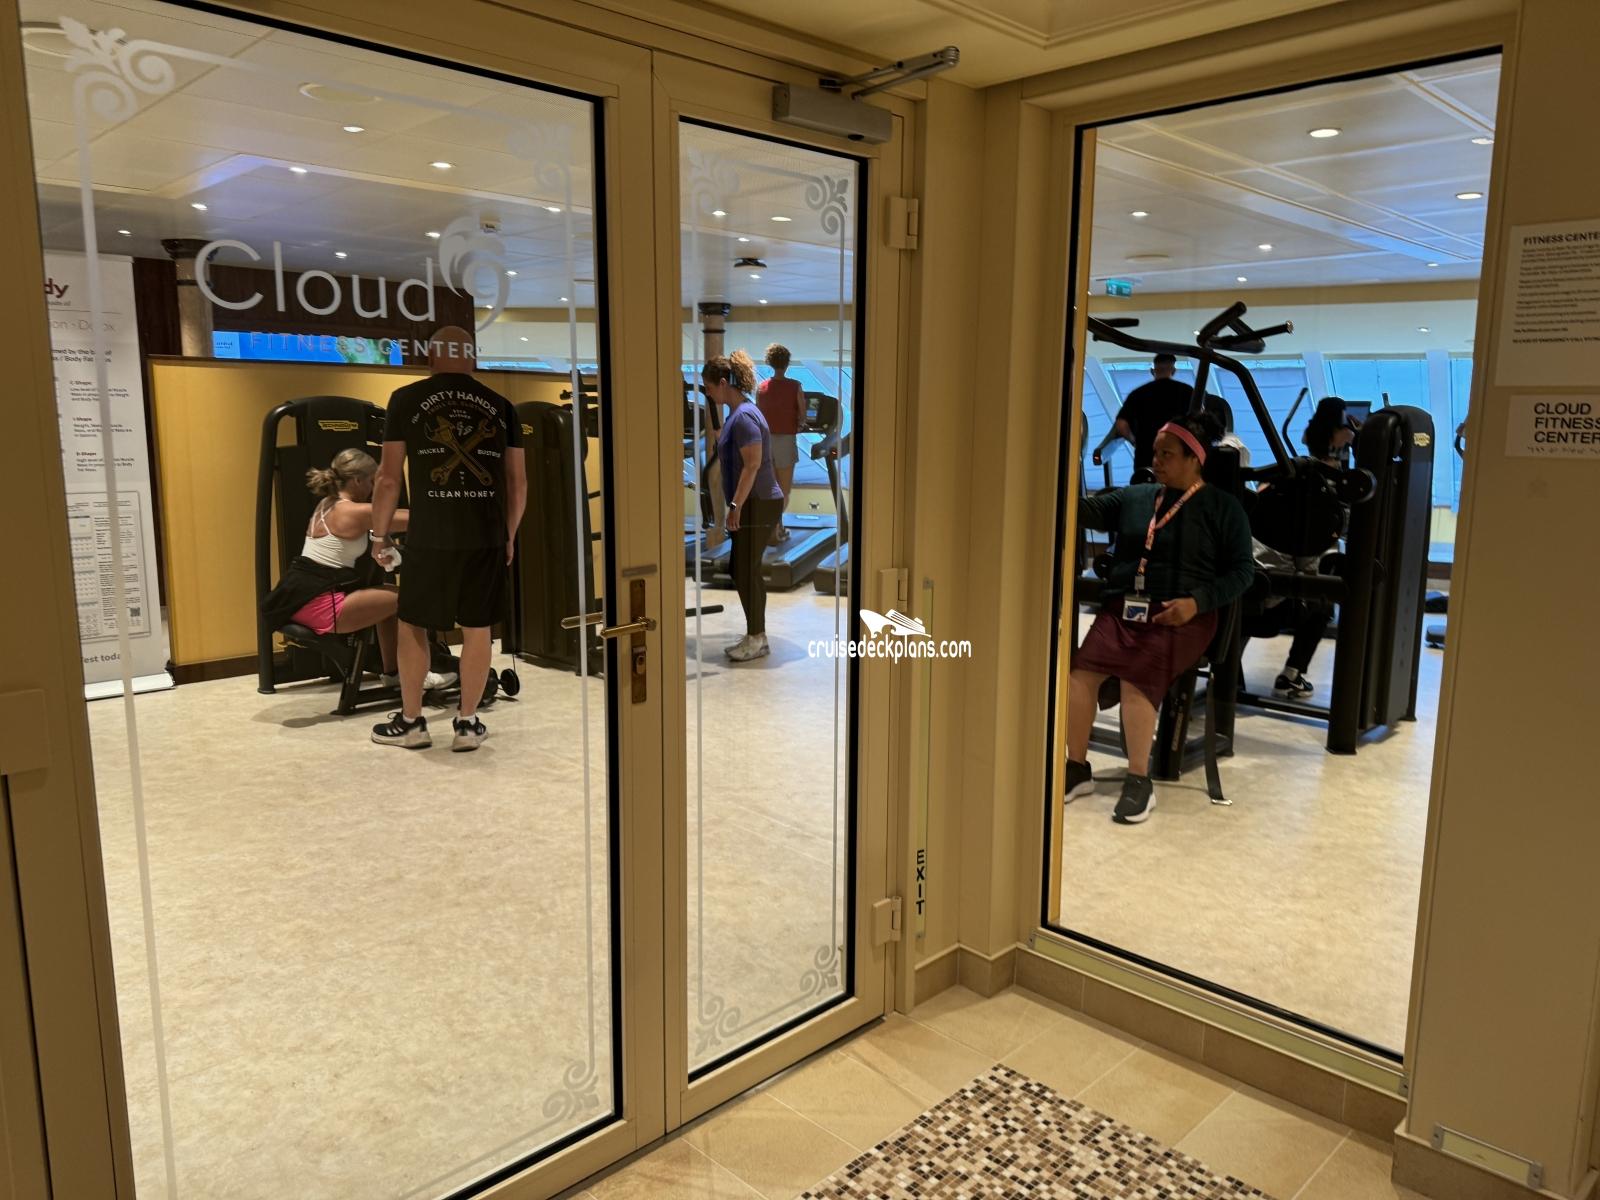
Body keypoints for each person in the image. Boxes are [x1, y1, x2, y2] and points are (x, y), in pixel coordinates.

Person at [1065, 412, 1255, 825]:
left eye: (1167, 454)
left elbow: (1243, 572)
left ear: (1194, 459)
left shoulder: (1223, 508)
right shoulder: (1138, 497)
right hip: (1124, 610)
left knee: (1136, 676)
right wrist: (1060, 465)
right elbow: (1085, 511)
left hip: (1181, 616)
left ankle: (1139, 780)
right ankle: (1076, 768)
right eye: (1155, 452)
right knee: (1079, 674)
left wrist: (1197, 602)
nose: (1157, 460)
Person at [369, 326, 527, 751]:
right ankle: (468, 724)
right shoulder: (502, 406)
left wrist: (379, 536)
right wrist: (509, 535)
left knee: (412, 624)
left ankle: (412, 723)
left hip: (430, 536)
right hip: (486, 536)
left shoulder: (405, 399)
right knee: (478, 628)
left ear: (430, 358)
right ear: (472, 358)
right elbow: (518, 482)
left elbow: (387, 478)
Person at [259, 449, 458, 688]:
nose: (373, 488)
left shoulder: (327, 505)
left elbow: (375, 528)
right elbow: (415, 518)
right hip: (322, 606)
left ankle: (393, 673)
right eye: (372, 481)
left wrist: (384, 540)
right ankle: (417, 676)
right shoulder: (354, 512)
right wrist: (451, 505)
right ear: (357, 480)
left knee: (387, 598)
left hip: (300, 602)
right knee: (411, 600)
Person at [705, 349, 784, 662]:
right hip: (754, 502)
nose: (709, 394)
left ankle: (757, 638)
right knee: (744, 569)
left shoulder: (745, 416)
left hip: (758, 502)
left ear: (724, 383)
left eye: (710, 388)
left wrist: (735, 505)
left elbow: (752, 464)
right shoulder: (738, 414)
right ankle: (756, 635)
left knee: (744, 569)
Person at [1092, 353, 1222, 477]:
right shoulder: (1187, 391)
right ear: (1173, 370)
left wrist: (1135, 442)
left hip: (1145, 459)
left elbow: (1121, 425)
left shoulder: (1137, 394)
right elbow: (1199, 421)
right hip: (1178, 458)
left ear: (1153, 370)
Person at [1240, 540, 1335, 700]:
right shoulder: (1302, 526)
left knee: (1250, 595)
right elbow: (1310, 573)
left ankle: (1225, 670)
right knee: (1322, 602)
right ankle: (1290, 676)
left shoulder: (1246, 521)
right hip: (1276, 611)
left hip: (1237, 603)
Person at [756, 343, 806, 546]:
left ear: (770, 362)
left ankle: (777, 527)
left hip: (765, 442)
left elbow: (758, 416)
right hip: (785, 441)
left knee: (770, 490)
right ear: (787, 363)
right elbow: (802, 415)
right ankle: (773, 529)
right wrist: (800, 424)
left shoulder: (761, 387)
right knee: (784, 491)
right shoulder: (795, 386)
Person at [1302, 396, 1360, 466]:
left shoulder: (1310, 430)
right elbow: (1356, 450)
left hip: (1315, 467)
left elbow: (1303, 441)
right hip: (1335, 469)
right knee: (1344, 451)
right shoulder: (1346, 433)